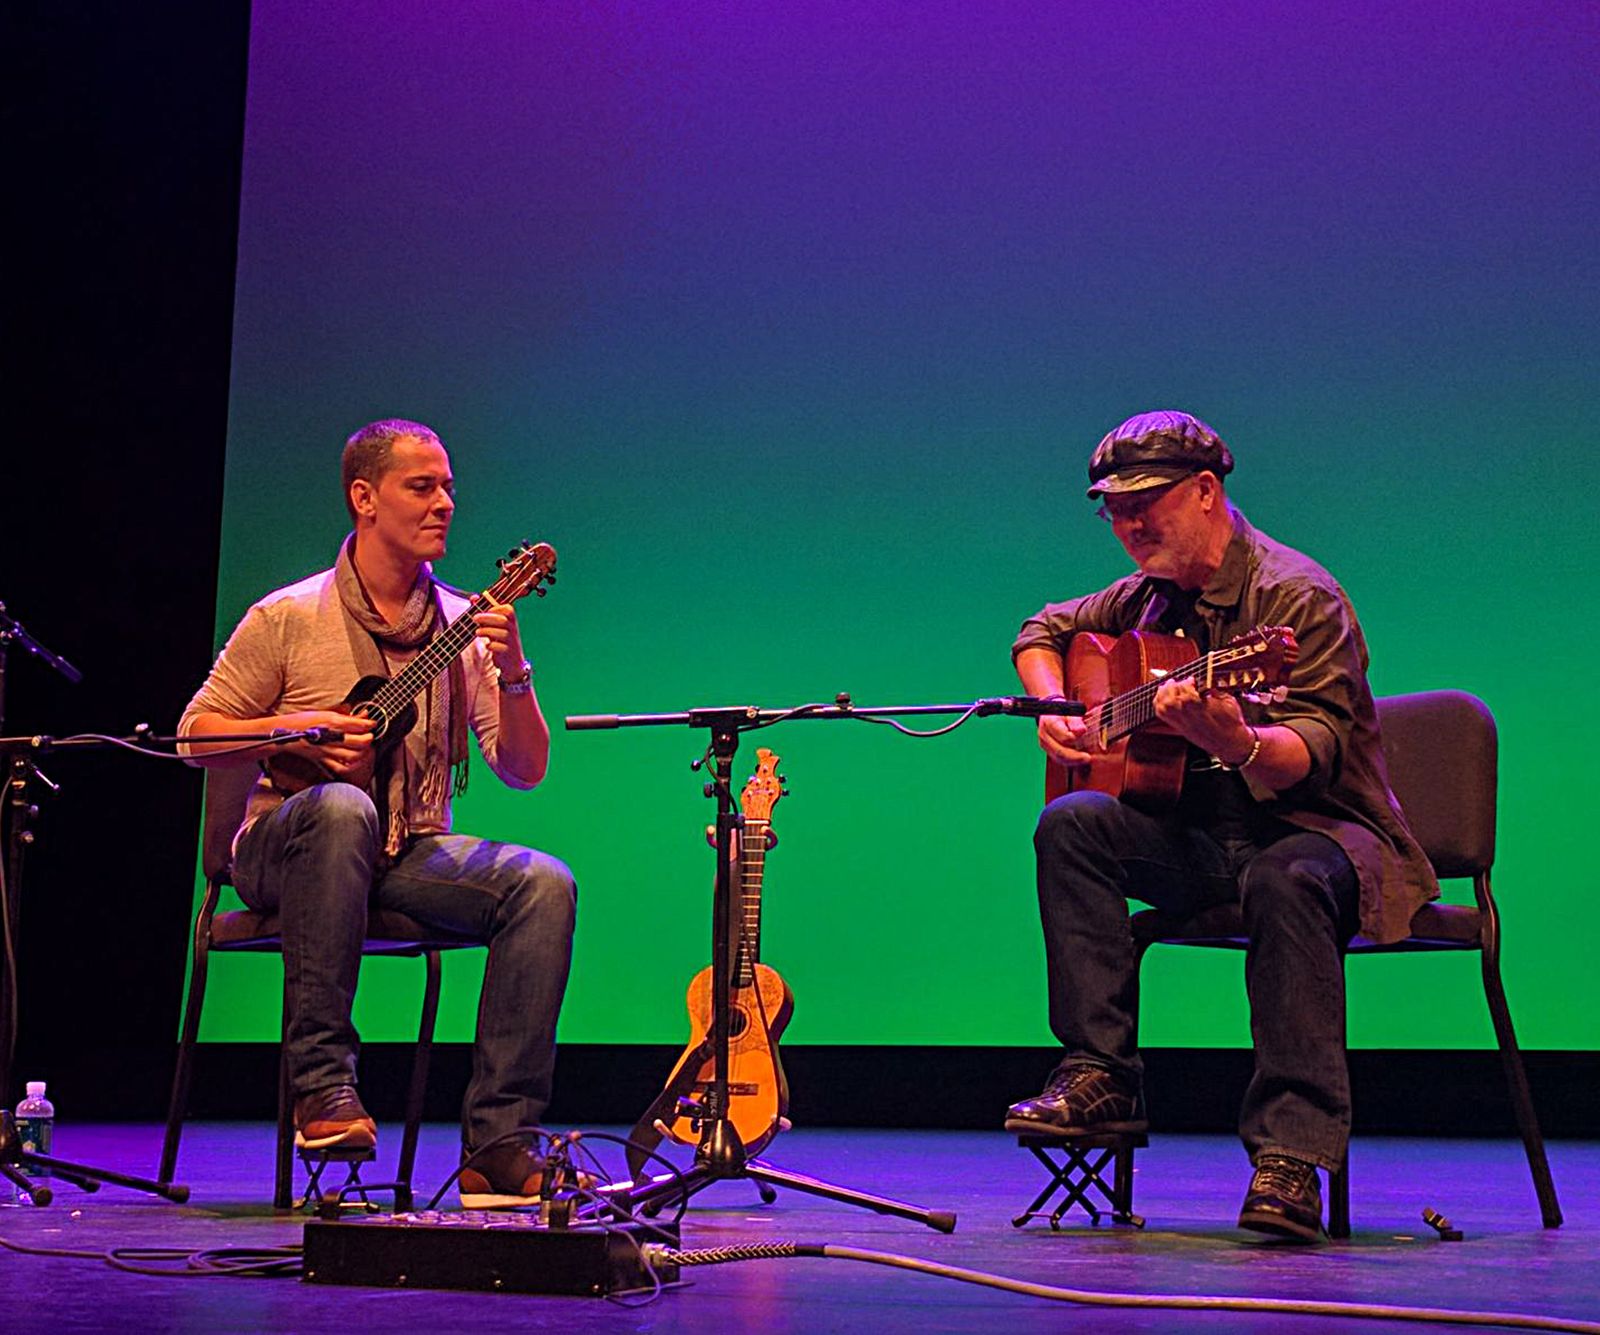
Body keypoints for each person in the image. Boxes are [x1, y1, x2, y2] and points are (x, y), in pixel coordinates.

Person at [1005, 410, 1437, 1241]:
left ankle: (1292, 1154)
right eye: (1115, 510)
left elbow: (1305, 756)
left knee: (1286, 877)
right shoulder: (1146, 599)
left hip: (1327, 838)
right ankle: (1100, 1072)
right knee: (1074, 822)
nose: (1129, 526)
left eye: (1147, 504)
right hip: (1206, 845)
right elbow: (1044, 628)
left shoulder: (1298, 597)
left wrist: (1236, 739)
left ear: (1206, 492)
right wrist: (1058, 704)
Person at [179, 417, 577, 1209]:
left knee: (544, 884)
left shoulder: (464, 627)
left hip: (402, 852)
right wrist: (298, 731)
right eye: (421, 486)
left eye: (450, 488)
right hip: (281, 846)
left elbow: (524, 769)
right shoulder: (289, 617)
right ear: (364, 497)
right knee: (338, 809)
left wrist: (515, 669)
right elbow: (196, 736)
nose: (444, 504)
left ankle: (498, 1145)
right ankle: (323, 1087)